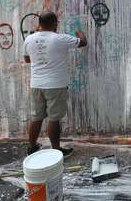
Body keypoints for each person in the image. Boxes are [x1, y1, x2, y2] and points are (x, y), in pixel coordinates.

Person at [24, 11, 87, 157]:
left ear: (39, 24)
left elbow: (27, 59)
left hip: (36, 84)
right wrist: (80, 32)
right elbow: (83, 42)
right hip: (55, 85)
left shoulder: (29, 39)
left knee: (36, 117)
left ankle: (32, 147)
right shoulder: (60, 38)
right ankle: (56, 149)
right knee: (54, 118)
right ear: (54, 24)